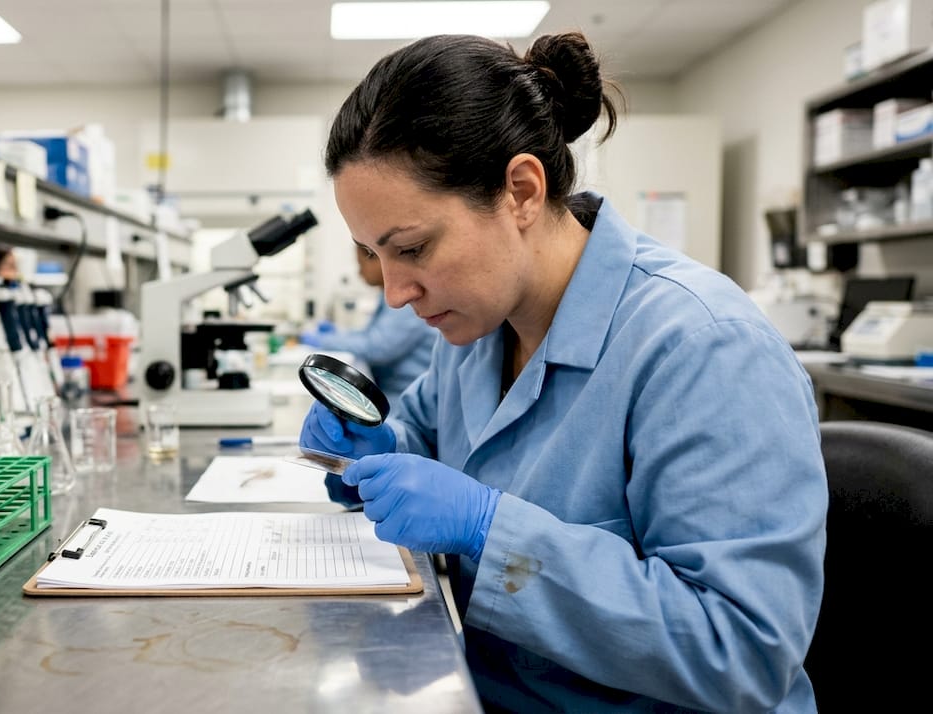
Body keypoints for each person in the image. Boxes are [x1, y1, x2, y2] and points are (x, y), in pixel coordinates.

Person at [300, 32, 827, 712]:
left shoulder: (702, 346)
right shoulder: (474, 329)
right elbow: (422, 444)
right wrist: (373, 456)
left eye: (412, 248)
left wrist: (492, 531)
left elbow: (740, 652)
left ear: (521, 190)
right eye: (376, 253)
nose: (396, 292)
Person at [300, 244, 438, 404]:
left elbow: (377, 347)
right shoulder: (385, 297)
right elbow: (369, 335)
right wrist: (337, 334)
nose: (359, 273)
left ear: (379, 259)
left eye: (361, 264)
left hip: (405, 398)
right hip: (394, 393)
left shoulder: (405, 302)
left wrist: (323, 341)